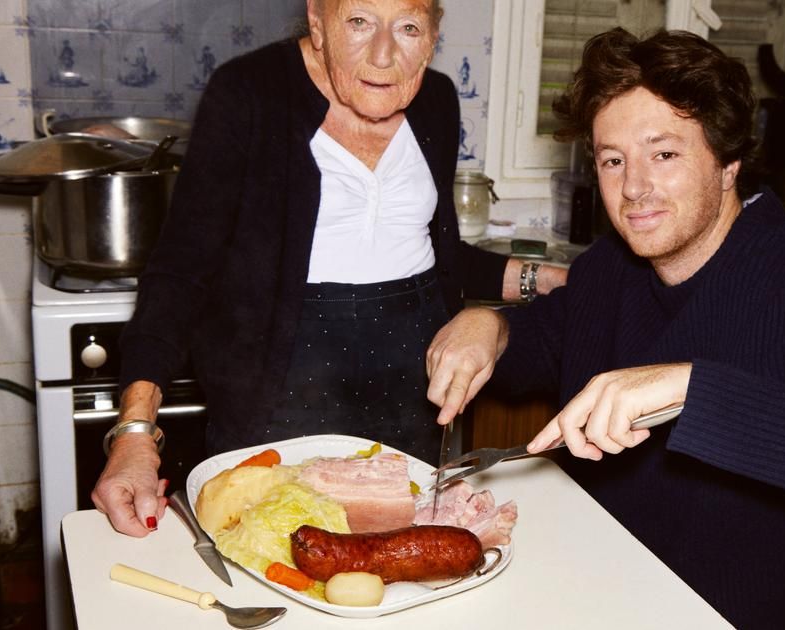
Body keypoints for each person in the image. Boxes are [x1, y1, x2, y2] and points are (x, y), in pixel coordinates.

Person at [425, 28, 785, 629]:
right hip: (608, 592)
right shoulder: (610, 267)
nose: (633, 188)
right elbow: (540, 339)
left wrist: (692, 390)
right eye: (612, 160)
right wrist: (486, 327)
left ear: (728, 162)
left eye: (664, 154)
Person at [92, 0, 567, 538]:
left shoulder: (435, 99)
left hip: (411, 404)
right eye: (359, 21)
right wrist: (135, 430)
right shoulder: (249, 93)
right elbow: (181, 270)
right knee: (272, 557)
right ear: (318, 23)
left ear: (433, 37)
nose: (384, 54)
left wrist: (541, 278)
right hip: (275, 402)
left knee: (394, 576)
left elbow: (428, 253)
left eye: (408, 27)